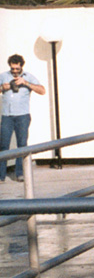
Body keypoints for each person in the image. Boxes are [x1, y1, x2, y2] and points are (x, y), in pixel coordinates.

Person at [0, 54, 46, 183]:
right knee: (3, 145)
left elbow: (42, 90)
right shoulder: (3, 76)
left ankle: (20, 173)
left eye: (17, 69)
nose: (14, 71)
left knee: (22, 145)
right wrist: (2, 88)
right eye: (12, 69)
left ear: (21, 66)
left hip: (22, 116)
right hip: (7, 116)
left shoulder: (28, 77)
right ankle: (1, 175)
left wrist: (25, 83)